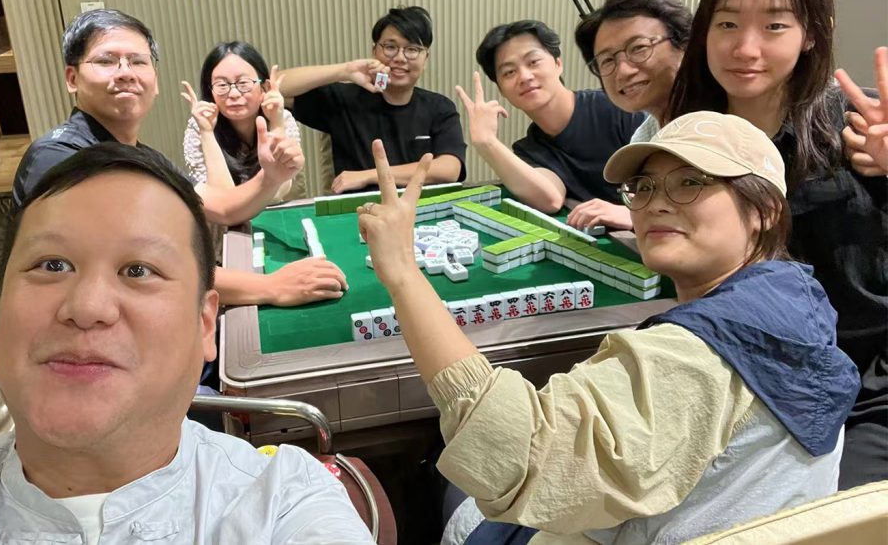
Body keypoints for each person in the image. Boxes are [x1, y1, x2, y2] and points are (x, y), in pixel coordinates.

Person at [358, 112, 859, 545]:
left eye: (691, 182)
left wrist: (402, 272)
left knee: (456, 492)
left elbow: (520, 456)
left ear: (764, 211)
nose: (656, 203)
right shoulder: (796, 299)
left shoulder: (699, 352)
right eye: (644, 186)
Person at [0, 143, 374, 543]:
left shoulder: (283, 503)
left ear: (205, 325)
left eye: (138, 270)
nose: (86, 307)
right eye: (52, 265)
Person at [665, 0, 888, 489]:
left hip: (868, 382)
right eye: (727, 24)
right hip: (751, 371)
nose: (746, 48)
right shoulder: (692, 134)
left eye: (774, 26)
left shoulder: (860, 124)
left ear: (812, 33)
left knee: (829, 518)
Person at [13, 9, 348, 307]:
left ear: (155, 81)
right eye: (106, 61)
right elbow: (139, 264)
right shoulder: (60, 156)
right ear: (72, 78)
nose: (125, 72)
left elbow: (223, 207)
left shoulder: (145, 159)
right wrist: (271, 286)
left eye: (138, 61)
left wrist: (271, 176)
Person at [453, 20, 643, 214]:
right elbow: (550, 200)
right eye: (509, 72)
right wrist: (487, 142)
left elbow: (664, 173)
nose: (525, 76)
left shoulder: (618, 108)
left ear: (558, 63)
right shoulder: (529, 150)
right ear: (501, 90)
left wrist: (630, 215)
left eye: (533, 62)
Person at [279, 5, 466, 193]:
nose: (400, 58)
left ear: (425, 58)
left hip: (419, 205)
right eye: (390, 47)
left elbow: (450, 168)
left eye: (412, 49)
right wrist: (345, 70)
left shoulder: (439, 107)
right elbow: (274, 88)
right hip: (358, 206)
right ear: (375, 51)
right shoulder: (344, 99)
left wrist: (370, 175)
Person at [565, 0, 692, 231]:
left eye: (639, 48)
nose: (623, 71)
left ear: (685, 45)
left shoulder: (722, 124)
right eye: (607, 61)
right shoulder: (643, 138)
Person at [182, 41, 303, 220]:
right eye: (222, 85)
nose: (233, 94)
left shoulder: (281, 117)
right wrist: (207, 133)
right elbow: (224, 205)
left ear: (264, 87)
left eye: (244, 83)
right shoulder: (198, 126)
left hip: (273, 217)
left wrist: (276, 122)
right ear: (210, 92)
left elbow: (280, 191)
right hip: (225, 226)